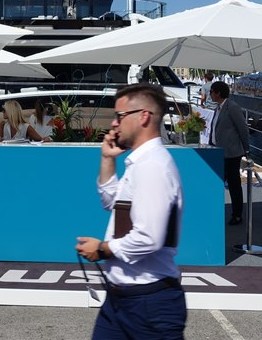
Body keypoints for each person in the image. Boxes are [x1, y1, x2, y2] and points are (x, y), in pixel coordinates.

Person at [75, 83, 186, 339]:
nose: (114, 123)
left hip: (149, 304)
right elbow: (111, 202)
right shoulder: (141, 163)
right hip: (122, 299)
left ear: (144, 116)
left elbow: (149, 237)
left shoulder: (153, 166)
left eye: (120, 116)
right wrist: (107, 159)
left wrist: (102, 249)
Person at [209, 80, 250, 226]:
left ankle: (237, 215)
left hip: (231, 153)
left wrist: (247, 149)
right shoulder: (218, 108)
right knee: (216, 183)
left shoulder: (232, 107)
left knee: (234, 185)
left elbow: (243, 129)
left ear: (218, 93)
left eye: (211, 92)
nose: (210, 94)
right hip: (218, 152)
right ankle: (214, 212)